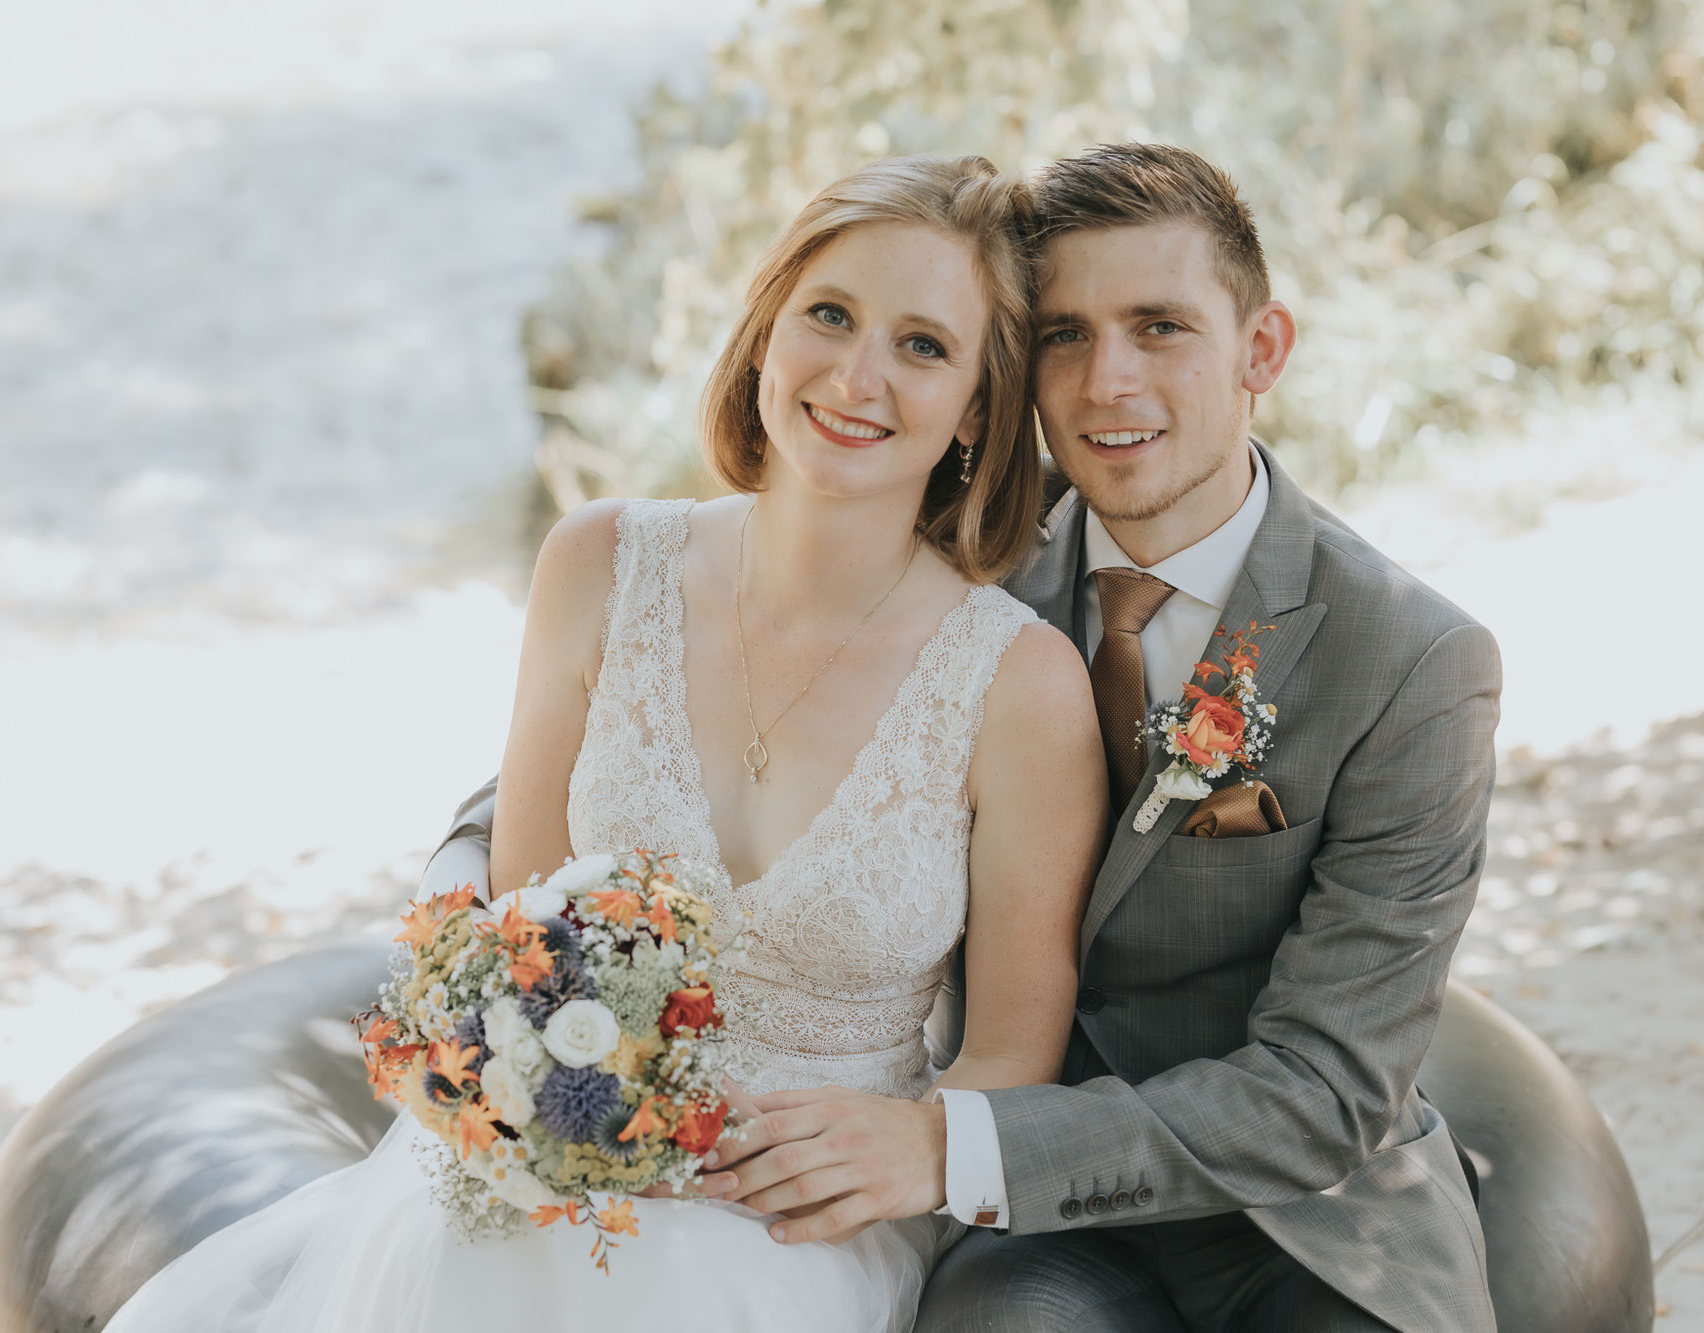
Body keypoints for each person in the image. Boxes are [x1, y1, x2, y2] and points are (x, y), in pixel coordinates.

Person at [101, 155, 1108, 1333]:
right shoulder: (597, 565)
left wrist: (916, 1148)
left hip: (805, 1213)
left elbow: (1009, 1058)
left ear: (978, 409)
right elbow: (522, 934)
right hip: (567, 1167)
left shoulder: (1018, 684)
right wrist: (536, 1117)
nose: (856, 375)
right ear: (765, 332)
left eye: (921, 345)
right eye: (827, 315)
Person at [568, 142, 1504, 1332]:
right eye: (1065, 334)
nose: (1107, 382)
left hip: (1299, 1217)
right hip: (1025, 1222)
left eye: (1158, 326)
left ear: (1259, 350)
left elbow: (1323, 1092)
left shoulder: (1413, 660)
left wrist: (944, 1143)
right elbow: (639, 728)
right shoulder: (963, 557)